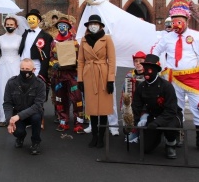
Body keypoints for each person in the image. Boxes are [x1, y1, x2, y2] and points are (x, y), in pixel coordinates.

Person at [152, 0, 199, 153]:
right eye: (174, 21)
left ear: (187, 20)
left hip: (193, 77)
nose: (176, 25)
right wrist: (152, 65)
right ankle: (177, 136)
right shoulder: (167, 37)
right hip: (174, 78)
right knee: (175, 108)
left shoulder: (198, 37)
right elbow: (155, 50)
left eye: (179, 21)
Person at [132, 54, 183, 159]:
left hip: (170, 116)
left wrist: (157, 123)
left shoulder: (166, 86)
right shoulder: (141, 87)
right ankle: (157, 135)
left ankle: (171, 143)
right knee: (145, 148)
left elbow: (171, 110)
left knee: (169, 127)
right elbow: (136, 105)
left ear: (155, 70)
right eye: (145, 69)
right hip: (153, 115)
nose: (147, 73)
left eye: (149, 70)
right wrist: (135, 121)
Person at [77, 14, 116, 148]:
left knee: (104, 108)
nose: (93, 26)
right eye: (91, 24)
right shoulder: (83, 40)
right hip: (89, 74)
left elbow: (112, 60)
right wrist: (80, 79)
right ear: (87, 26)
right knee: (92, 108)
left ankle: (101, 137)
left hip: (103, 73)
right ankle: (94, 136)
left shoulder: (107, 40)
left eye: (96, 23)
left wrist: (111, 79)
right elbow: (80, 61)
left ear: (100, 26)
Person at [49, 17, 84, 133]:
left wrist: (76, 64)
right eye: (59, 26)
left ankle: (78, 123)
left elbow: (80, 56)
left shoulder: (74, 41)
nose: (61, 28)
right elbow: (51, 57)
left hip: (73, 75)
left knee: (77, 99)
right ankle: (63, 122)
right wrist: (54, 64)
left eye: (64, 26)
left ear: (68, 27)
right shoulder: (54, 42)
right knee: (60, 100)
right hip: (60, 76)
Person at [3, 58, 46, 155]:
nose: (24, 71)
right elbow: (7, 103)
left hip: (33, 113)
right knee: (18, 131)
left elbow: (37, 105)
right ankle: (20, 136)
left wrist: (18, 117)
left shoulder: (40, 84)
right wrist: (9, 120)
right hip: (17, 113)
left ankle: (35, 142)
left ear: (33, 70)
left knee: (37, 117)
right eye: (22, 68)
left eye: (27, 68)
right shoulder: (11, 83)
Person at [0, 15, 22, 127]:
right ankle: (3, 117)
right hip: (4, 66)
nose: (9, 26)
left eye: (11, 25)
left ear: (16, 26)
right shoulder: (0, 38)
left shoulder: (19, 38)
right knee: (3, 90)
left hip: (16, 66)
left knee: (17, 90)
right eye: (7, 24)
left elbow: (23, 53)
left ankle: (17, 116)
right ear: (4, 25)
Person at [18, 9, 53, 101]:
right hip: (23, 66)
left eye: (33, 18)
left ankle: (38, 113)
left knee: (36, 92)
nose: (31, 20)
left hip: (36, 67)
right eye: (29, 19)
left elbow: (46, 57)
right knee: (24, 92)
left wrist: (42, 73)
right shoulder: (24, 34)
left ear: (39, 20)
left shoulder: (46, 36)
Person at [120, 51, 146, 143]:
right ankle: (133, 131)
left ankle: (143, 134)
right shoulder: (130, 75)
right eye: (136, 61)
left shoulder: (148, 75)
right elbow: (125, 91)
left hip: (145, 108)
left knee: (144, 122)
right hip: (133, 105)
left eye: (141, 61)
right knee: (129, 139)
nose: (138, 63)